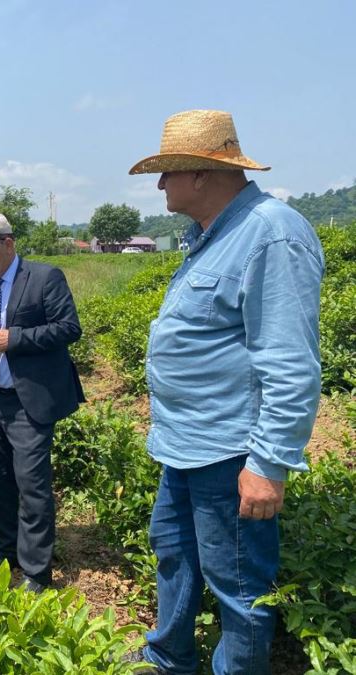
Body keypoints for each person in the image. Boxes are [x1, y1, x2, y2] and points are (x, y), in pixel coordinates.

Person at [129, 109, 324, 674]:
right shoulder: (209, 236)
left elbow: (289, 364)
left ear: (201, 174)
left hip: (230, 451)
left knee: (238, 585)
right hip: (183, 445)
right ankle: (169, 659)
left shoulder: (272, 233)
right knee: (175, 557)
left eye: (167, 173)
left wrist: (267, 463)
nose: (161, 185)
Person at [0, 214, 84, 593]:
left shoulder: (44, 278)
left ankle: (36, 571)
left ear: (8, 244)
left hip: (30, 400)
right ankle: (5, 552)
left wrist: (10, 339)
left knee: (32, 485)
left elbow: (68, 328)